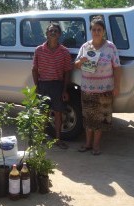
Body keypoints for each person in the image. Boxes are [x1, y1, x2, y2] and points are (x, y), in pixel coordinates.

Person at [74, 16, 121, 155]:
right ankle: (88, 144)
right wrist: (81, 61)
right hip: (87, 89)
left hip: (105, 90)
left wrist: (117, 86)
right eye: (94, 29)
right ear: (91, 31)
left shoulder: (110, 47)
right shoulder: (85, 46)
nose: (96, 32)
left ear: (103, 31)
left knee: (100, 120)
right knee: (88, 118)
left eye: (99, 29)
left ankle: (96, 145)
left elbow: (117, 68)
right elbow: (76, 65)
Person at [32, 23, 72, 149]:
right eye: (50, 31)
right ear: (46, 34)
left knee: (58, 113)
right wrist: (36, 86)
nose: (53, 33)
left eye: (55, 31)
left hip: (57, 85)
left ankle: (58, 139)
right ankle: (41, 138)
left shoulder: (64, 52)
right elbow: (34, 69)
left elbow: (67, 71)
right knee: (43, 112)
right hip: (43, 84)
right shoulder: (39, 50)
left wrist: (65, 90)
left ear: (59, 34)